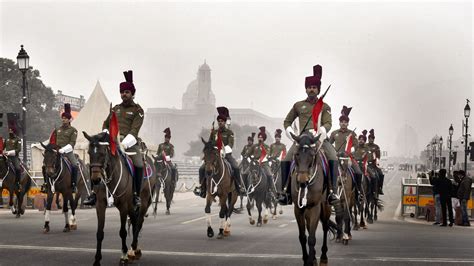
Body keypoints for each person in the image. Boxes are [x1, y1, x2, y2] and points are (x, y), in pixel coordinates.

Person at [278, 64, 339, 206]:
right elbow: (287, 121)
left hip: (319, 139)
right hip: (302, 139)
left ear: (318, 90)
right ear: (306, 89)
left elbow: (328, 123)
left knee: (333, 157)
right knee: (286, 160)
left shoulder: (325, 106)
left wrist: (320, 131)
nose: (311, 89)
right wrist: (292, 133)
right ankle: (285, 192)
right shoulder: (298, 105)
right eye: (309, 87)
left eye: (314, 87)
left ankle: (332, 192)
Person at [84, 70, 144, 208]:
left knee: (139, 164)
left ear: (132, 94)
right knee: (95, 161)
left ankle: (135, 195)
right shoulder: (115, 109)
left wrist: (123, 144)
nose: (124, 94)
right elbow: (106, 124)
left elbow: (134, 130)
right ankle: (94, 193)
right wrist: (106, 134)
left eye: (127, 92)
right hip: (112, 141)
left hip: (129, 143)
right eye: (122, 92)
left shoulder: (138, 110)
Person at [195, 106, 245, 198]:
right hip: (214, 155)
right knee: (202, 169)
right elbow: (209, 143)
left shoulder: (229, 132)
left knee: (236, 167)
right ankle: (202, 188)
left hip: (226, 155)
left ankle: (239, 187)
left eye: (222, 121)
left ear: (225, 122)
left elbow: (230, 145)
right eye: (219, 121)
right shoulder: (214, 133)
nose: (220, 122)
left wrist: (222, 150)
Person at [329, 105, 363, 197]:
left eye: (345, 122)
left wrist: (351, 151)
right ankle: (328, 192)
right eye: (342, 122)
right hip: (337, 158)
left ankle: (358, 193)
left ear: (348, 123)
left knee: (358, 172)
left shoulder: (352, 134)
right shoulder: (334, 133)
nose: (343, 123)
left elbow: (356, 146)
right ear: (339, 123)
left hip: (348, 158)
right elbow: (329, 144)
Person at [52, 104, 79, 193]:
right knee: (46, 165)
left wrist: (63, 150)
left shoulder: (73, 130)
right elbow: (54, 141)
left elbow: (72, 144)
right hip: (57, 152)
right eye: (62, 118)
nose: (64, 119)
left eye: (65, 118)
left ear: (69, 119)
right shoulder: (58, 129)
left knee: (75, 165)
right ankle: (47, 184)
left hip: (68, 152)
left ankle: (74, 184)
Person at [246, 126, 274, 193]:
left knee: (269, 175)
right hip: (255, 164)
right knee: (244, 173)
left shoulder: (266, 147)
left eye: (261, 137)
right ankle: (244, 188)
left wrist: (261, 160)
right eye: (259, 137)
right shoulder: (254, 146)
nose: (260, 138)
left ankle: (270, 190)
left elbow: (267, 155)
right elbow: (247, 154)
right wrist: (249, 159)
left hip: (264, 164)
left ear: (264, 138)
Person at [3, 118, 22, 191]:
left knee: (18, 168)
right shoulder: (7, 139)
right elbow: (2, 147)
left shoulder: (18, 139)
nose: (10, 132)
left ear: (14, 132)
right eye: (9, 131)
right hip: (6, 157)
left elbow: (18, 149)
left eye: (11, 131)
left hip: (14, 157)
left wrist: (10, 152)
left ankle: (17, 183)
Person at [366, 129, 385, 195]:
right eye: (369, 138)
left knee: (381, 174)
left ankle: (379, 188)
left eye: (372, 139)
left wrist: (376, 162)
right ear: (368, 139)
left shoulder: (376, 147)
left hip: (373, 165)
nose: (371, 140)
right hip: (366, 164)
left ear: (373, 139)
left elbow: (378, 156)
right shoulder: (365, 146)